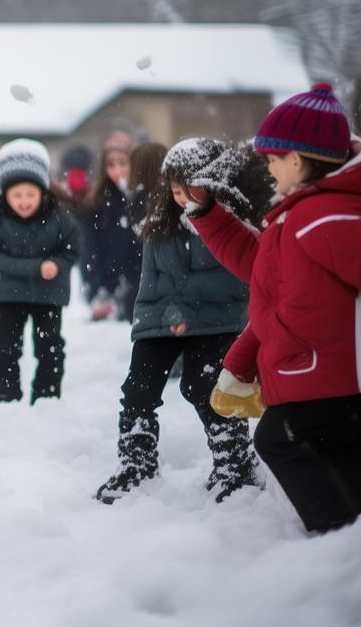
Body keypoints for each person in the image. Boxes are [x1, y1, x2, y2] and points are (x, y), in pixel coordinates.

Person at [187, 84, 361, 533]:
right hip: (314, 373)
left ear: (298, 161)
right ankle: (344, 535)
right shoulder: (300, 213)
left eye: (272, 158)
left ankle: (338, 533)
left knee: (280, 438)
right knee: (322, 448)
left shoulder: (325, 216)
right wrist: (209, 214)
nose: (267, 168)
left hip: (329, 374)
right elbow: (260, 268)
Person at [95, 138, 268, 504]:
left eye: (187, 189)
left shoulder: (231, 224)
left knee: (203, 387)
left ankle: (234, 463)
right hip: (160, 320)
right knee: (138, 390)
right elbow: (151, 282)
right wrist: (166, 315)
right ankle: (136, 463)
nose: (180, 199)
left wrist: (185, 305)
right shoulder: (160, 224)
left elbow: (236, 282)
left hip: (216, 322)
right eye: (174, 190)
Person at [0, 140, 79, 404]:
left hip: (48, 295)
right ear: (6, 195)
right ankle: (7, 397)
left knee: (50, 348)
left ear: (43, 192)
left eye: (30, 194)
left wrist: (57, 264)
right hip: (7, 295)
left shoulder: (60, 217)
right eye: (17, 195)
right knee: (7, 349)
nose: (24, 201)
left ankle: (46, 396)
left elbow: (72, 249)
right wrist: (33, 267)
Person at [83, 130, 142, 322]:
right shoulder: (98, 201)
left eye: (123, 163)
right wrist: (97, 288)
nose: (118, 171)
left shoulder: (143, 197)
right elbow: (90, 248)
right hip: (109, 284)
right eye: (111, 165)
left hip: (140, 284)